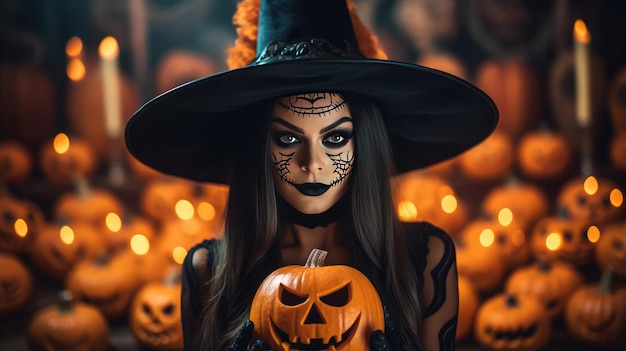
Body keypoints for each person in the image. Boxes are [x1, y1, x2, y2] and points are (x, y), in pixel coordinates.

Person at [124, 0, 498, 350]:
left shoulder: (425, 260)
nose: (312, 162)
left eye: (335, 138)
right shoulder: (208, 273)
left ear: (363, 143)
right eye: (288, 138)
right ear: (259, 148)